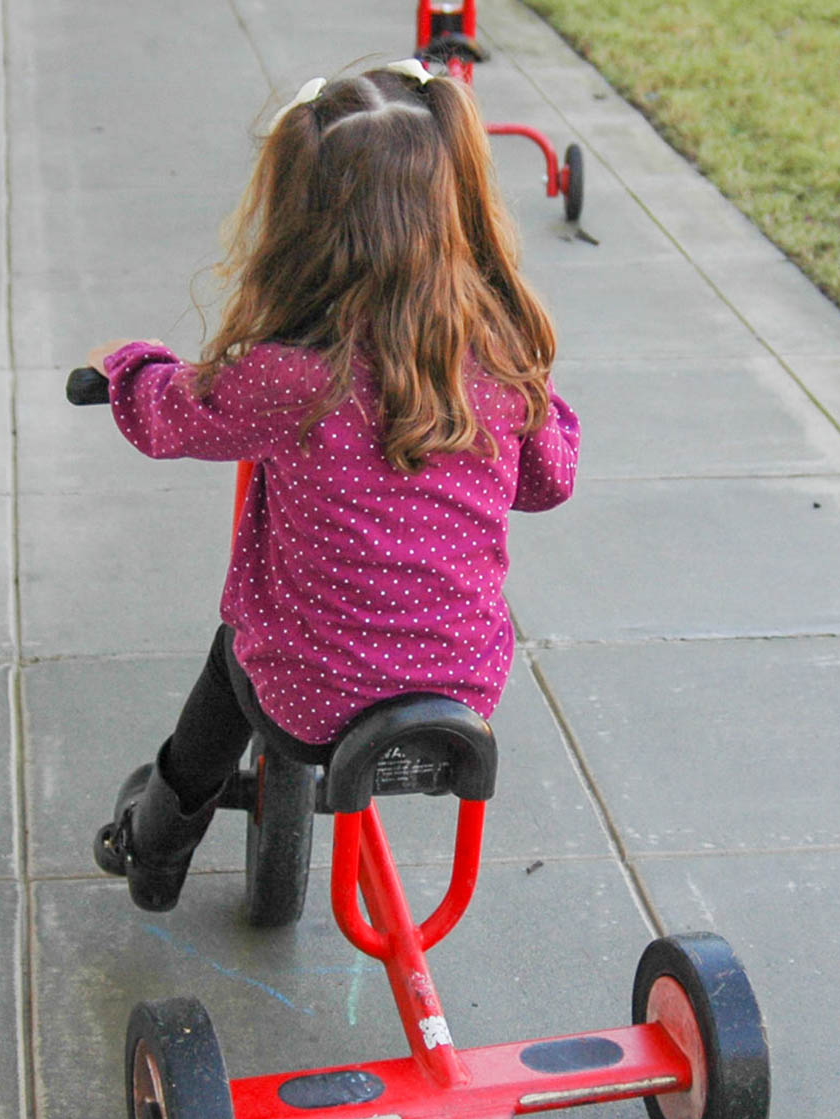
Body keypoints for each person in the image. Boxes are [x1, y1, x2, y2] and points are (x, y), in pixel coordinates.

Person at [85, 60, 579, 913]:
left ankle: (157, 841)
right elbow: (547, 481)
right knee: (276, 638)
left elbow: (169, 416)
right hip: (461, 689)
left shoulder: (292, 377)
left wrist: (126, 369)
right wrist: (536, 398)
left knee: (238, 647)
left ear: (304, 224)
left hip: (313, 698)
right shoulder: (498, 356)